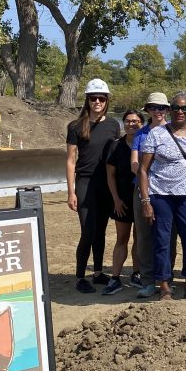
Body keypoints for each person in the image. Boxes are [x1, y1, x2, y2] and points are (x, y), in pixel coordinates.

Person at [138, 92, 186, 301]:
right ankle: (165, 286)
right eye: (176, 108)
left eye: (184, 108)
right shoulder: (156, 134)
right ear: (170, 110)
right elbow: (143, 170)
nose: (180, 112)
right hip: (161, 195)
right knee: (162, 241)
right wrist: (145, 201)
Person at [66, 78, 121, 293]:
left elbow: (116, 156)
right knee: (87, 231)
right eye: (93, 98)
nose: (97, 102)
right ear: (87, 100)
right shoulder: (76, 126)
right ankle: (80, 277)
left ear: (107, 100)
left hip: (105, 184)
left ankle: (97, 272)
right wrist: (71, 191)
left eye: (101, 98)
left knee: (101, 231)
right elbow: (71, 160)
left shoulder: (113, 125)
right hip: (85, 182)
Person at [131, 93, 171, 298]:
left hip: (167, 191)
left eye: (161, 107)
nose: (158, 111)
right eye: (153, 107)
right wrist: (147, 173)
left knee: (167, 236)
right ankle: (147, 281)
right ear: (147, 110)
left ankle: (166, 279)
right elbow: (134, 164)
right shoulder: (141, 134)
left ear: (167, 110)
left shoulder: (174, 131)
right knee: (144, 237)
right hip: (143, 189)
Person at [101, 109, 144, 295]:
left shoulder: (146, 144)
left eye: (135, 121)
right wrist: (116, 199)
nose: (131, 124)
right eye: (127, 121)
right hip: (122, 200)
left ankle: (136, 273)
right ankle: (115, 277)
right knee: (122, 238)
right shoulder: (115, 146)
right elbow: (110, 175)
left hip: (142, 198)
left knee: (139, 239)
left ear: (141, 123)